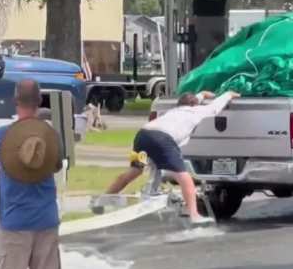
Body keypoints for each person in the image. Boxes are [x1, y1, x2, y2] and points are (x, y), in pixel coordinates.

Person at [94, 90, 240, 225]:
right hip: (162, 139)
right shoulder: (197, 111)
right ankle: (194, 214)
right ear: (195, 104)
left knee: (135, 171)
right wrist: (228, 94)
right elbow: (215, 107)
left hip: (143, 135)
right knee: (185, 178)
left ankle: (102, 199)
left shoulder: (174, 111)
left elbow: (190, 100)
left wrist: (201, 94)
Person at [0, 79, 62, 269]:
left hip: (14, 219)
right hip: (46, 216)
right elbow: (57, 165)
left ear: (15, 99)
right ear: (40, 100)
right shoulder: (50, 136)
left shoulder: (2, 135)